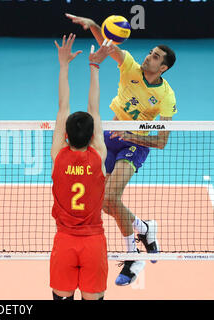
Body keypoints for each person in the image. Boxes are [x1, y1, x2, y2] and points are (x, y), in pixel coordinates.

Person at [66, 13, 177, 285]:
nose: (148, 57)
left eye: (155, 57)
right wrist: (92, 25)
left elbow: (161, 141)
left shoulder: (166, 97)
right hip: (108, 138)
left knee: (110, 198)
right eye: (150, 53)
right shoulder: (129, 67)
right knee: (106, 204)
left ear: (162, 68)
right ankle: (145, 228)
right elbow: (109, 47)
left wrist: (132, 135)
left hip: (135, 145)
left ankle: (133, 257)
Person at [50, 34, 113, 300]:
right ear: (92, 137)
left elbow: (62, 106)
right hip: (93, 242)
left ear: (65, 135)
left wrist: (64, 66)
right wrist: (94, 67)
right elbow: (94, 110)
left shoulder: (58, 156)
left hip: (65, 241)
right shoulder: (99, 156)